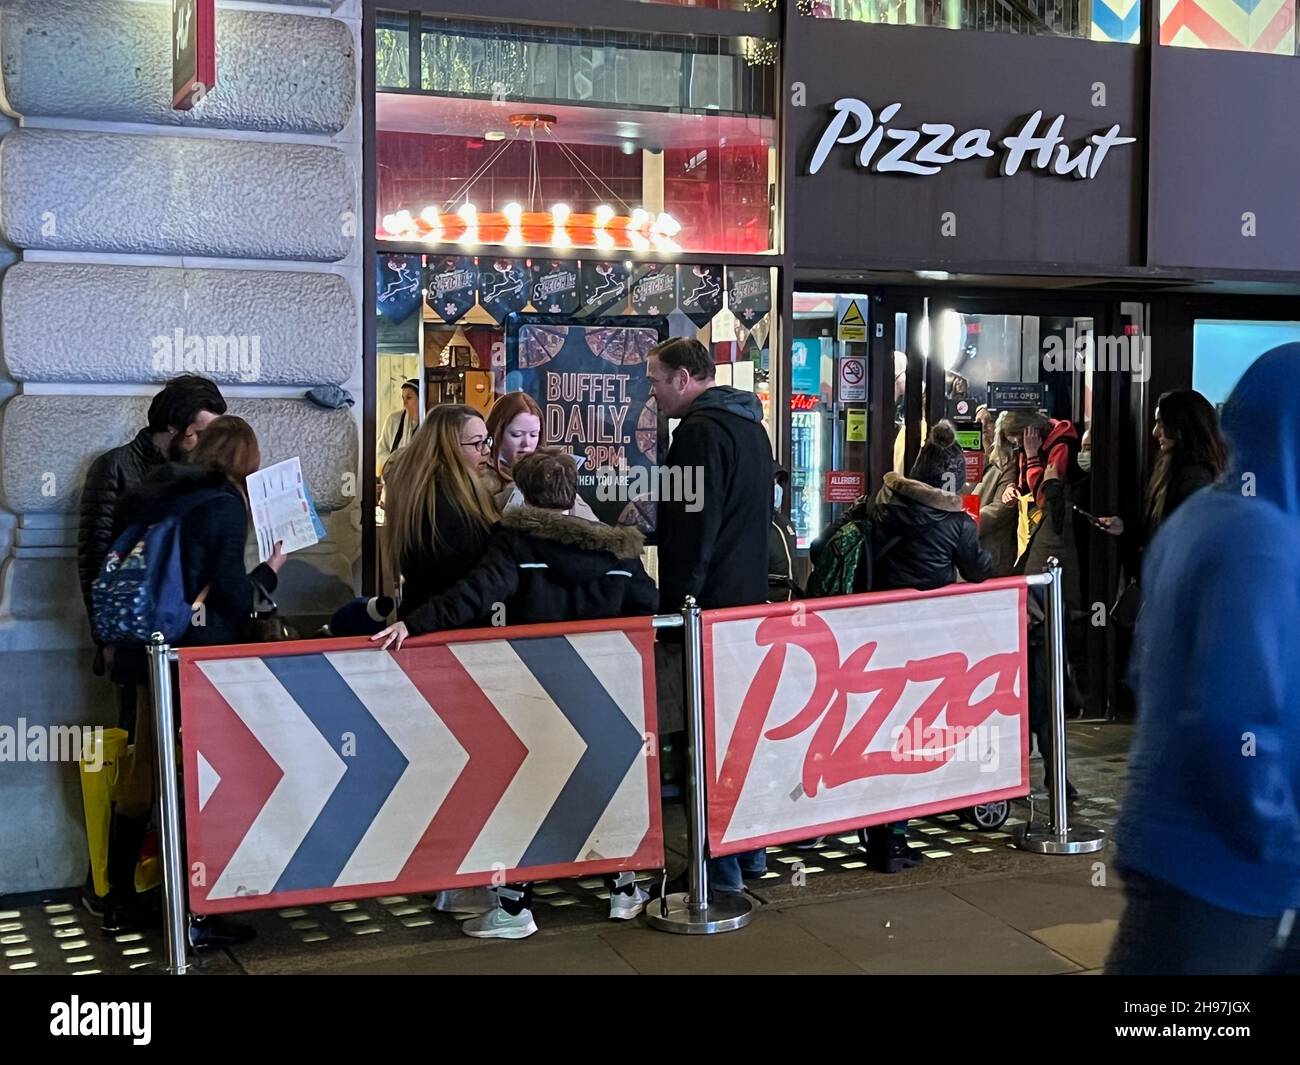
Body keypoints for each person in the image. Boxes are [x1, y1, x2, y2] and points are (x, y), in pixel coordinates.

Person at [372, 448, 657, 938]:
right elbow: (650, 604)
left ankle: (514, 906)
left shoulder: (514, 545)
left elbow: (474, 595)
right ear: (574, 494)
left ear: (523, 492)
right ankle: (622, 889)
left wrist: (412, 624)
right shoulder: (617, 552)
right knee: (604, 786)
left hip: (533, 692)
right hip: (606, 693)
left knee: (526, 793)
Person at [1106, 345, 1300, 975]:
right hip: (1223, 871)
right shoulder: (1261, 539)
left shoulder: (1203, 517)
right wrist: (1281, 838)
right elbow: (1230, 722)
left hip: (1174, 846)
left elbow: (1146, 667)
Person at [104, 415, 285, 947]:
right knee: (201, 774)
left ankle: (118, 899)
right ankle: (196, 909)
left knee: (146, 765)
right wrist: (272, 568)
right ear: (247, 462)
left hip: (143, 646)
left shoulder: (152, 488)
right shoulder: (223, 504)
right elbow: (230, 593)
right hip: (195, 656)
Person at [76, 374, 226, 921]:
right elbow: (95, 561)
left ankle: (161, 886)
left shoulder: (200, 475)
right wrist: (105, 640)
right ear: (173, 426)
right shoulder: (116, 467)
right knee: (142, 766)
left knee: (177, 767)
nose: (208, 441)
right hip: (137, 642)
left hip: (184, 638)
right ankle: (114, 889)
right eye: (201, 430)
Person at [646, 336, 773, 894]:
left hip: (708, 612)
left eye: (655, 381)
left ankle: (716, 871)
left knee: (704, 741)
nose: (652, 394)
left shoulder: (697, 435)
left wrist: (679, 610)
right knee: (739, 737)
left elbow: (690, 534)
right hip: (746, 605)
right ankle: (750, 855)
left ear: (682, 378)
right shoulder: (750, 426)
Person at [840, 423, 994, 872]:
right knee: (908, 738)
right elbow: (981, 570)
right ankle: (895, 841)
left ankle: (873, 832)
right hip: (925, 649)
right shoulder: (954, 524)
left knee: (875, 732)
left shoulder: (881, 503)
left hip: (870, 640)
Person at [382, 404, 499, 626]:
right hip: (446, 623)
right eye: (477, 443)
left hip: (427, 615)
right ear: (448, 448)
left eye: (487, 441)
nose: (486, 451)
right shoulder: (444, 502)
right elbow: (464, 572)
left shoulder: (423, 490)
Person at [1094, 389, 1228, 541]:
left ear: (1182, 425)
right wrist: (1125, 527)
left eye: (1162, 424)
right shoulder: (1173, 467)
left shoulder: (1195, 476)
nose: (1155, 432)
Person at [483, 390, 597, 520]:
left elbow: (590, 524)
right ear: (497, 433)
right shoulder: (480, 478)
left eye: (533, 435)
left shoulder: (550, 472)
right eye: (516, 434)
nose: (526, 443)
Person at [970, 414, 1019, 577]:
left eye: (989, 421)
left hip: (992, 548)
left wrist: (965, 523)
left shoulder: (1009, 461)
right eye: (978, 422)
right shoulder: (973, 455)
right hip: (969, 545)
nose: (983, 426)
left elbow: (1001, 509)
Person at [768, 466, 801, 602]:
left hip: (790, 601)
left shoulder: (785, 522)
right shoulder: (752, 522)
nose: (777, 489)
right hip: (766, 604)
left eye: (778, 483)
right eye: (773, 483)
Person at [376, 378, 420, 475]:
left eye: (409, 398)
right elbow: (380, 451)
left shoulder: (429, 423)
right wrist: (395, 463)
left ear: (421, 398)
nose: (404, 403)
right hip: (394, 479)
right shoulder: (393, 420)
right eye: (403, 398)